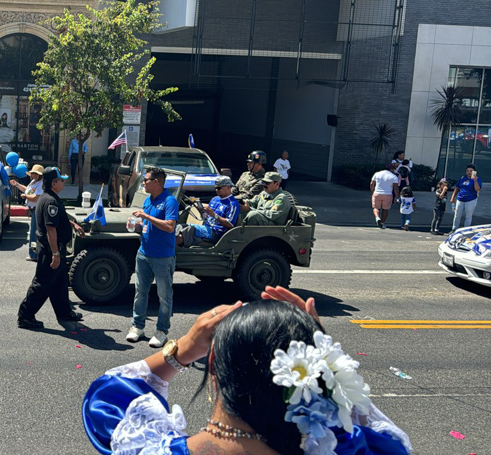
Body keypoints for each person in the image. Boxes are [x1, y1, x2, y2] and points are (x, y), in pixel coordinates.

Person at [82, 286, 413, 455]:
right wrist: (324, 357)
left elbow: (107, 398)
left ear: (213, 365)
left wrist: (181, 350)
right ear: (315, 384)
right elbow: (389, 442)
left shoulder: (146, 448)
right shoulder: (350, 449)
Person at [17, 167, 85, 329]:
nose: (64, 182)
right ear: (54, 183)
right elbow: (50, 229)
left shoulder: (48, 197)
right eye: (61, 180)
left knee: (60, 281)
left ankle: (64, 312)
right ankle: (25, 316)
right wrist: (55, 253)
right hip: (49, 250)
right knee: (42, 283)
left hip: (54, 248)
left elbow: (56, 221)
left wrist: (72, 224)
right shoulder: (51, 201)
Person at [126, 167, 179, 348]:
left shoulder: (170, 201)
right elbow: (147, 224)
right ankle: (137, 326)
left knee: (164, 295)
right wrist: (137, 225)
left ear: (156, 182)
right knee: (140, 292)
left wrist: (146, 216)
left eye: (146, 180)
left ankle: (161, 330)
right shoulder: (149, 200)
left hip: (163, 256)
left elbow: (169, 226)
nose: (143, 183)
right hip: (144, 253)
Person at [175, 176, 240, 247]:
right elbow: (207, 216)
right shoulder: (215, 199)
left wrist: (214, 215)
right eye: (215, 188)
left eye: (219, 188)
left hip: (216, 233)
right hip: (206, 227)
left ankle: (170, 250)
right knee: (180, 226)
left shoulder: (233, 204)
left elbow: (230, 224)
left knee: (189, 230)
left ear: (228, 187)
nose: (216, 190)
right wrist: (202, 211)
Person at [10, 164, 44, 261]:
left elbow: (35, 197)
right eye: (33, 173)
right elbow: (27, 190)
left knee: (34, 233)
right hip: (32, 209)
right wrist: (17, 184)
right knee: (33, 232)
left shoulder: (40, 184)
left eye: (36, 174)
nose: (33, 175)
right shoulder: (33, 182)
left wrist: (25, 197)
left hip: (36, 209)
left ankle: (34, 254)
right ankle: (34, 253)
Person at [450, 163, 482, 231]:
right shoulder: (462, 178)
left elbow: (477, 189)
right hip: (460, 199)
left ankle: (466, 230)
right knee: (457, 215)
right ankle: (454, 229)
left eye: (471, 171)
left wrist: (475, 180)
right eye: (468, 171)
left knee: (468, 216)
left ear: (474, 172)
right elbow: (457, 188)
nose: (469, 172)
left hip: (471, 199)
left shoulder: (477, 179)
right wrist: (453, 197)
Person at [370, 164, 399, 229]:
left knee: (376, 208)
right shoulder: (393, 176)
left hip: (377, 193)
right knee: (385, 210)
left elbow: (372, 184)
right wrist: (397, 197)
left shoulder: (377, 174)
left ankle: (377, 218)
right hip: (388, 194)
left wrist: (373, 192)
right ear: (391, 169)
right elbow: (396, 188)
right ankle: (382, 223)